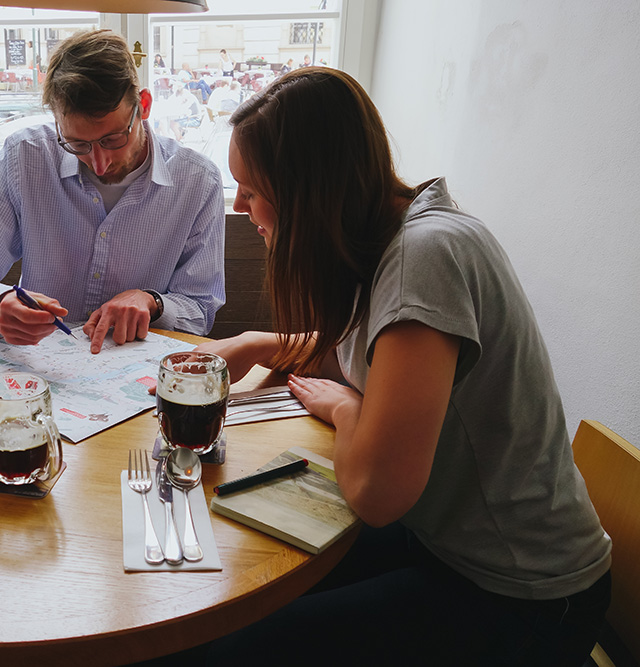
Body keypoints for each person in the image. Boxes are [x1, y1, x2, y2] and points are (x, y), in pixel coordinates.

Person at [193, 67, 612, 665]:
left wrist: (345, 406)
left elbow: (375, 493)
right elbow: (373, 354)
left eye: (252, 189)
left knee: (231, 644)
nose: (241, 206)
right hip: (448, 545)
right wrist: (258, 343)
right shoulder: (395, 232)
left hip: (524, 596)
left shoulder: (426, 258)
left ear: (309, 192)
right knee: (234, 578)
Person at [0, 30, 225, 354]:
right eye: (77, 144)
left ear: (142, 106)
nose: (99, 163)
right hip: (41, 370)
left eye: (113, 139)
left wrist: (153, 302)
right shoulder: (26, 157)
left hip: (136, 377)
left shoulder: (198, 182)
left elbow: (199, 309)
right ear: (57, 122)